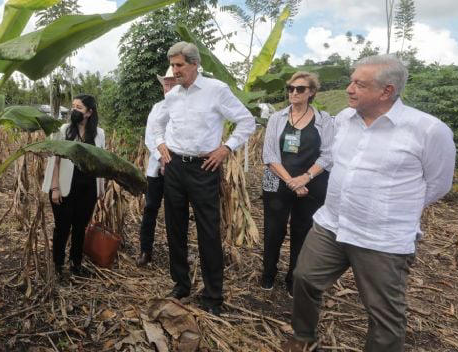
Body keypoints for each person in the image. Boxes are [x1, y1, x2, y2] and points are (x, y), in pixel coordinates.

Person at [282, 55, 456, 352]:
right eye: (351, 80)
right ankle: (304, 336)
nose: (349, 88)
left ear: (386, 91)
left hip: (382, 238)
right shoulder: (343, 120)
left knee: (384, 314)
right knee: (305, 278)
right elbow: (337, 162)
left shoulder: (428, 130)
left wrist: (389, 209)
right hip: (332, 224)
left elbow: (438, 184)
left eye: (359, 84)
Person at [153, 41, 255, 315]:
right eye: (172, 66)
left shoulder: (216, 90)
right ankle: (181, 285)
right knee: (174, 227)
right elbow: (156, 125)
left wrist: (226, 148)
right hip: (174, 166)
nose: (174, 71)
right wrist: (160, 143)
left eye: (179, 66)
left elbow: (247, 121)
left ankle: (212, 295)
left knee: (208, 231)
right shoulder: (172, 95)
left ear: (195, 64)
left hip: (203, 168)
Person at [261, 72, 333, 296]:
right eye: (291, 88)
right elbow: (270, 154)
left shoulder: (324, 120)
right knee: (274, 229)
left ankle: (294, 277)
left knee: (303, 230)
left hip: (311, 183)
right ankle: (268, 273)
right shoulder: (277, 118)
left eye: (300, 89)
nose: (293, 92)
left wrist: (305, 177)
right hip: (278, 180)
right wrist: (291, 181)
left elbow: (329, 154)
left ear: (311, 92)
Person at [42, 94, 105, 278]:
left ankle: (76, 264)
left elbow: (102, 162)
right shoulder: (64, 130)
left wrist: (101, 189)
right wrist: (54, 187)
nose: (74, 110)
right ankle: (58, 266)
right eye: (73, 106)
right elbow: (55, 159)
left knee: (80, 228)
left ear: (89, 112)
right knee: (62, 228)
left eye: (79, 107)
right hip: (64, 187)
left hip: (88, 189)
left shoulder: (99, 134)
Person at [136, 67, 176, 267]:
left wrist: (172, 161)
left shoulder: (185, 108)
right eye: (166, 84)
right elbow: (150, 137)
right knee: (151, 208)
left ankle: (177, 254)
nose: (168, 87)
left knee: (176, 212)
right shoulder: (157, 108)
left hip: (178, 170)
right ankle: (145, 250)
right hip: (156, 169)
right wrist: (162, 158)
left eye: (172, 83)